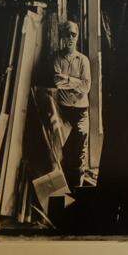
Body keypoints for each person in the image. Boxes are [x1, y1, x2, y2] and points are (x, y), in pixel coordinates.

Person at [51, 20, 91, 190]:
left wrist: (66, 80)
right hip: (63, 110)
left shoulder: (83, 60)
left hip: (81, 111)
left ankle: (79, 189)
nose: (70, 38)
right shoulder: (57, 58)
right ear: (62, 37)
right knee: (64, 149)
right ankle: (66, 190)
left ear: (77, 36)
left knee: (80, 145)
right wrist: (76, 83)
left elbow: (86, 86)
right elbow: (56, 82)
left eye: (74, 34)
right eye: (67, 34)